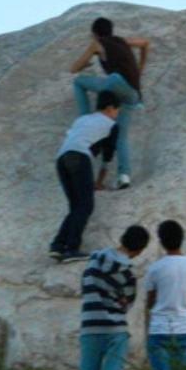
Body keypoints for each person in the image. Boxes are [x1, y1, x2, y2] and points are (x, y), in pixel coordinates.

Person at [78, 224, 151, 370]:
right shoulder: (127, 274)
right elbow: (127, 302)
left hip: (90, 328)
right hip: (116, 330)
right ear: (139, 249)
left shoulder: (93, 261)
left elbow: (84, 287)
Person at [70, 17, 150, 190]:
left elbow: (73, 68)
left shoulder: (97, 44)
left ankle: (85, 118)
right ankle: (124, 176)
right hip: (133, 94)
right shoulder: (123, 41)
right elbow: (145, 43)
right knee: (120, 136)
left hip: (116, 83)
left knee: (79, 82)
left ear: (95, 34)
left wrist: (85, 65)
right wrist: (140, 69)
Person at [50, 90, 121, 263]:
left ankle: (58, 246)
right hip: (80, 158)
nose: (117, 115)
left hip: (61, 159)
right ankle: (72, 248)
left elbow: (74, 138)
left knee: (75, 206)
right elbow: (108, 155)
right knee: (86, 205)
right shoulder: (111, 125)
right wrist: (99, 181)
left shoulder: (82, 119)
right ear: (110, 108)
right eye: (117, 110)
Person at [144, 220, 186, 370]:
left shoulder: (154, 269)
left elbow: (150, 303)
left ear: (161, 241)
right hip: (185, 328)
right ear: (182, 238)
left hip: (159, 329)